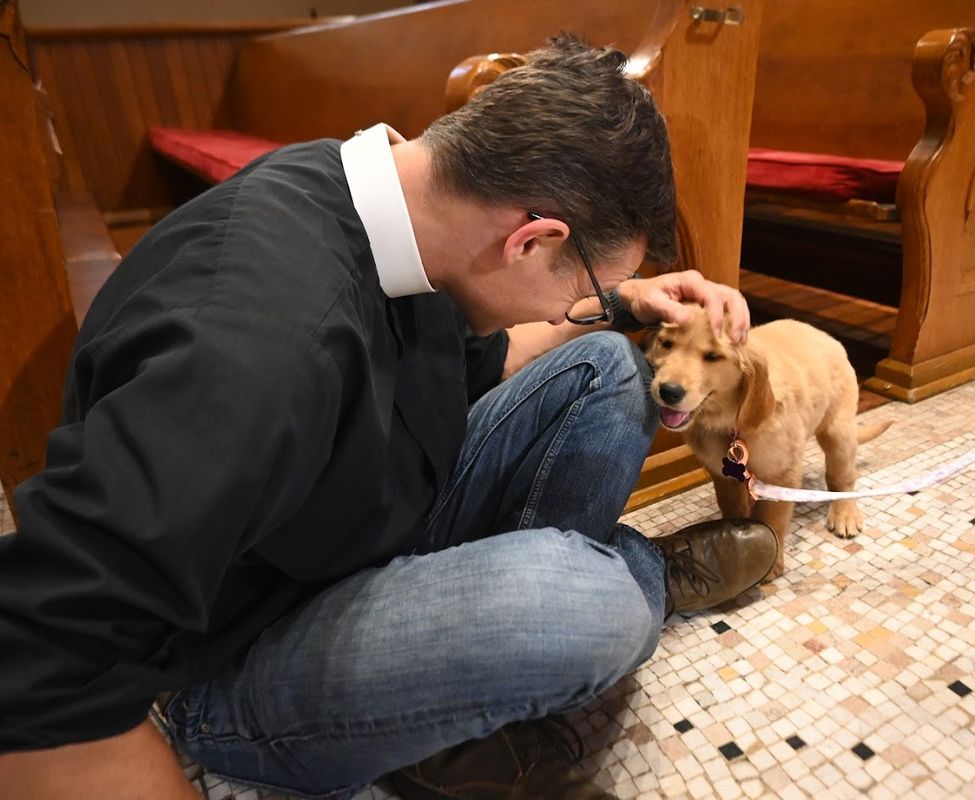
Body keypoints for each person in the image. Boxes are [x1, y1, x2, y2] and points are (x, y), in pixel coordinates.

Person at [0, 36, 778, 799]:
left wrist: (624, 304)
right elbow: (40, 666)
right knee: (596, 602)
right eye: (591, 281)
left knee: (606, 365)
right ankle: (633, 586)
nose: (578, 304)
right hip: (240, 655)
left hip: (347, 528)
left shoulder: (395, 207)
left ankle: (491, 666)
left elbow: (485, 358)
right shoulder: (258, 352)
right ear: (531, 240)